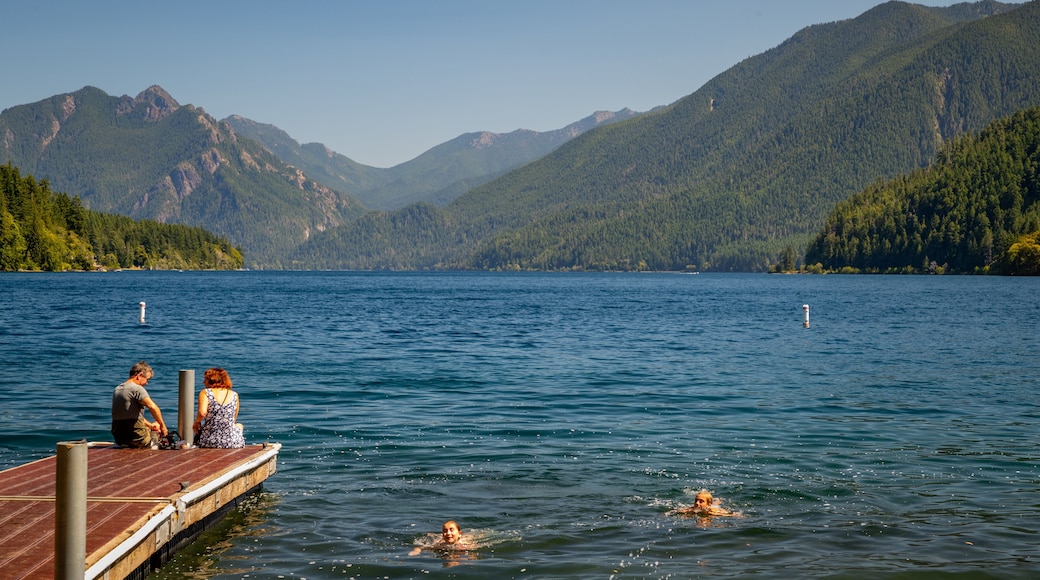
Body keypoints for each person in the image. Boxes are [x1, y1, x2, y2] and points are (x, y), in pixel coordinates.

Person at [111, 361, 168, 448]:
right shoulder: (137, 389)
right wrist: (162, 426)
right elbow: (153, 407)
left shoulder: (117, 389)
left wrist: (149, 425)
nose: (146, 383)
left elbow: (131, 415)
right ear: (139, 375)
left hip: (119, 438)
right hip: (137, 438)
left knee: (152, 426)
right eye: (147, 379)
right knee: (158, 428)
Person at [192, 367, 245, 448]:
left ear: (212, 379)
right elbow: (233, 419)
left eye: (205, 379)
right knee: (239, 425)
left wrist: (196, 423)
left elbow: (202, 413)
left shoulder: (206, 392)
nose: (203, 382)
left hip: (209, 442)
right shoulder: (234, 394)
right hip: (232, 443)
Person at [667, 490, 741, 517]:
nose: (697, 503)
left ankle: (718, 500)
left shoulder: (714, 511)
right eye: (696, 500)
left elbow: (729, 514)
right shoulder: (691, 509)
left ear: (708, 503)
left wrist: (736, 515)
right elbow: (676, 510)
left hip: (711, 508)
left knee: (716, 504)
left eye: (701, 501)